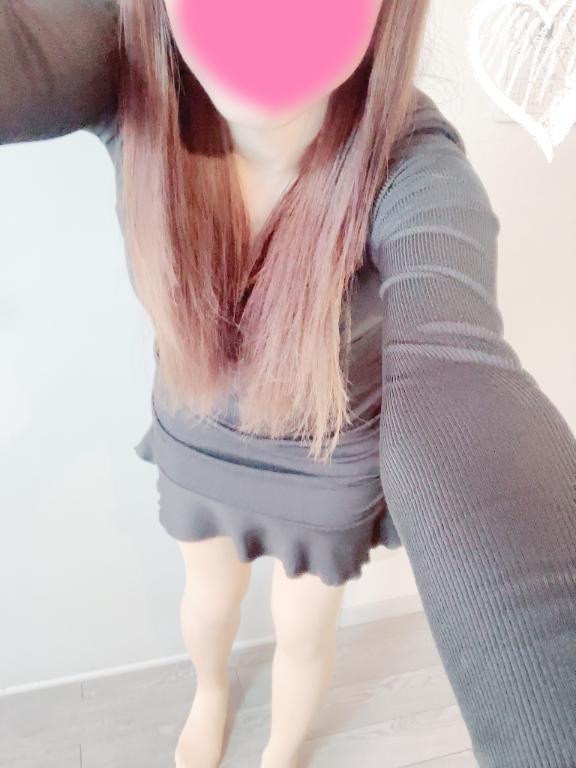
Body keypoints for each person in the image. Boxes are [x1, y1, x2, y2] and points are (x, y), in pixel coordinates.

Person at [1, 2, 575, 767]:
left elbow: (462, 377)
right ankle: (211, 691)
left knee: (303, 633)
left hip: (328, 460)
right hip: (199, 433)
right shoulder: (129, 68)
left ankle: (281, 750)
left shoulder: (412, 165)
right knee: (208, 604)